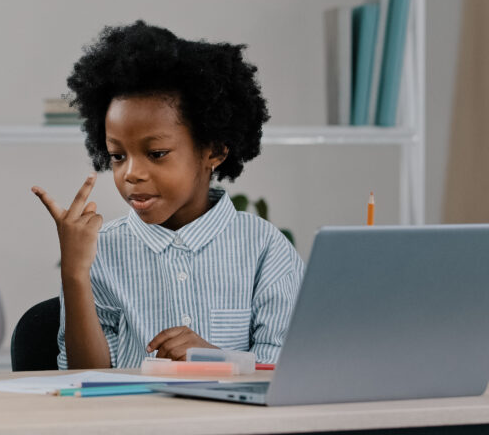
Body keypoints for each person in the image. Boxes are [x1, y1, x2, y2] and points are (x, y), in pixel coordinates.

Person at [32, 21, 304, 369]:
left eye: (156, 153)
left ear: (215, 150)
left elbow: (286, 370)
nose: (131, 173)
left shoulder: (265, 249)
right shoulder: (100, 252)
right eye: (117, 156)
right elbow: (85, 376)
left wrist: (215, 361)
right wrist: (75, 273)